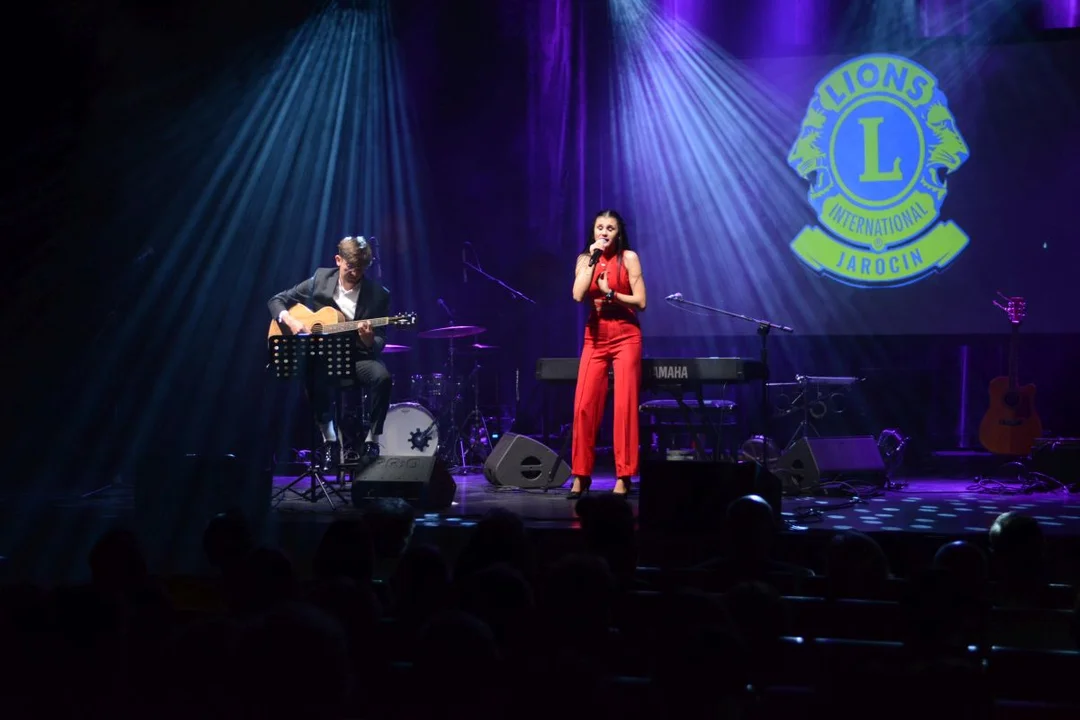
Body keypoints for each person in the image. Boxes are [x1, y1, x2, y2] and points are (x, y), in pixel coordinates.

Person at [268, 236, 391, 469]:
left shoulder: (378, 294)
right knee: (312, 376)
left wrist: (368, 340)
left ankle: (373, 440)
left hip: (358, 357)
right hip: (324, 358)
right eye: (350, 267)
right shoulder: (320, 280)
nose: (355, 273)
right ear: (338, 260)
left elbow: (380, 339)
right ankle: (330, 440)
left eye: (362, 268)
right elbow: (277, 300)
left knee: (382, 377)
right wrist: (290, 320)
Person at [569, 210, 647, 498]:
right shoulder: (584, 259)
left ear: (618, 233)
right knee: (583, 406)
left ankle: (624, 476)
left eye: (610, 228)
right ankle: (581, 475)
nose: (604, 232)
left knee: (624, 407)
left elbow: (641, 301)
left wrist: (611, 293)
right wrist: (592, 260)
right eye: (599, 227)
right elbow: (578, 295)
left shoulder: (628, 258)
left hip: (626, 335)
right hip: (595, 337)